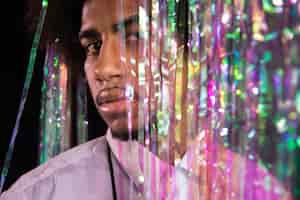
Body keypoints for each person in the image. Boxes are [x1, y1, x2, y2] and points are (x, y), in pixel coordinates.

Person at [0, 0, 293, 199]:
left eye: (136, 36)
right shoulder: (43, 193)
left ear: (196, 49)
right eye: (94, 46)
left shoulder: (255, 189)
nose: (105, 68)